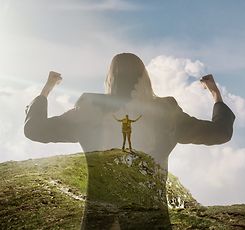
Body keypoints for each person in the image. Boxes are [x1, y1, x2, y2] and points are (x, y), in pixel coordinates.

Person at [24, 53, 235, 229]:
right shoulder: (165, 113)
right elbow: (220, 132)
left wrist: (47, 89)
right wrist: (215, 93)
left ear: (110, 79)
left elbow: (35, 130)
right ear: (145, 77)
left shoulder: (90, 110)